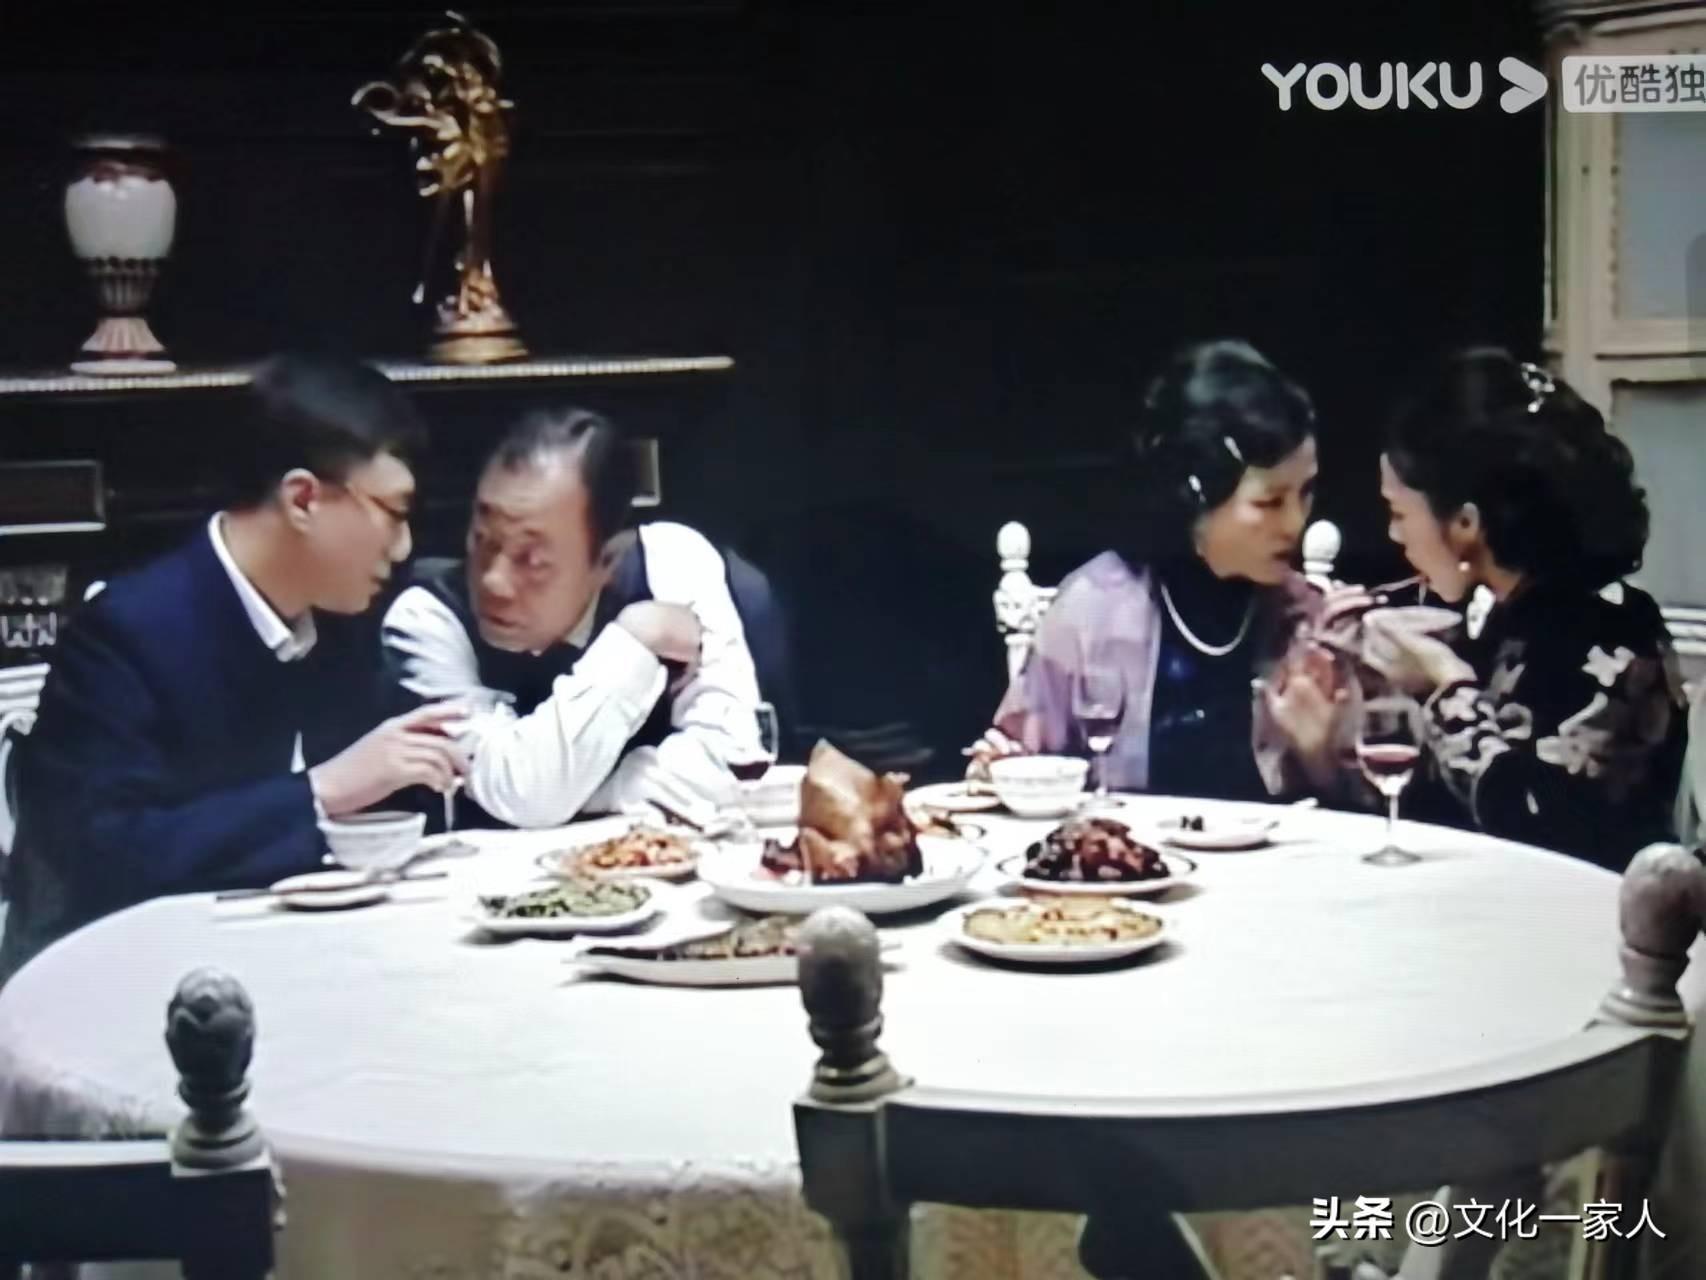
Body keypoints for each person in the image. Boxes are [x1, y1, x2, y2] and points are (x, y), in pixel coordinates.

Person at [0, 355, 466, 980]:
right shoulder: (127, 631)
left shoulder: (344, 618)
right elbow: (101, 856)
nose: (404, 546)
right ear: (303, 499)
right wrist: (324, 790)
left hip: (301, 959)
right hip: (115, 977)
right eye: (394, 512)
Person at [1286, 349, 1685, 869]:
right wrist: (1326, 740)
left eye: (1399, 513)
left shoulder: (1615, 634)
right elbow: (1437, 817)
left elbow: (1534, 823)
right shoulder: (1509, 617)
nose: (1393, 535)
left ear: (1467, 524)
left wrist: (1445, 681)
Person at [970, 338, 1324, 801]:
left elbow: (1371, 805)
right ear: (1194, 496)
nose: (1295, 523)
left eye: (1305, 493)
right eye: (1270, 501)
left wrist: (1320, 752)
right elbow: (1022, 759)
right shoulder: (1091, 611)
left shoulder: (1311, 625)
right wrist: (997, 770)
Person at [380, 406, 766, 830]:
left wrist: (592, 790)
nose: (494, 581)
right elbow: (523, 795)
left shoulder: (668, 564)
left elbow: (736, 757)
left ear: (607, 561)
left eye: (532, 560)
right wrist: (634, 639)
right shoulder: (428, 619)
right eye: (482, 541)